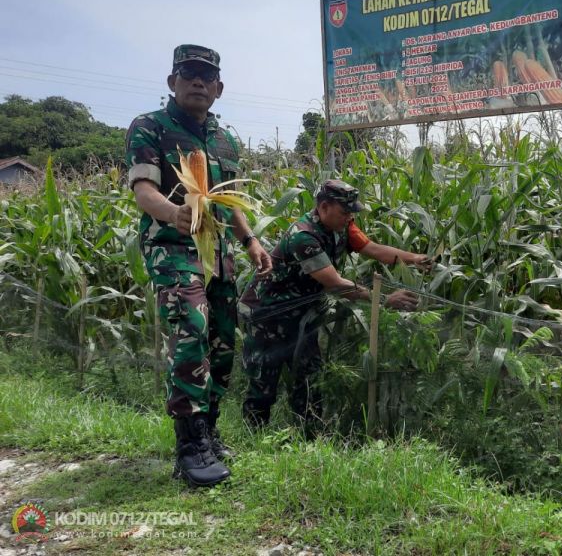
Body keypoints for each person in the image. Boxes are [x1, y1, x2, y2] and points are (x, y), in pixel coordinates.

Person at [126, 44, 272, 487]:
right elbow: (144, 190)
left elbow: (226, 197)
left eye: (206, 77)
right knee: (191, 332)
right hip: (172, 248)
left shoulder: (224, 138)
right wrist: (173, 214)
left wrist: (249, 239)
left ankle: (208, 431)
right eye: (188, 73)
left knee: (222, 341)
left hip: (217, 254)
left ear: (219, 88)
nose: (197, 82)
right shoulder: (150, 127)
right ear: (172, 82)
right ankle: (189, 445)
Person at [239, 179, 430, 428]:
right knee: (264, 381)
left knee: (309, 378)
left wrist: (415, 258)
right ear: (324, 207)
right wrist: (384, 300)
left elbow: (373, 248)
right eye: (344, 212)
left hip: (302, 314)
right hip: (267, 315)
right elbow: (335, 284)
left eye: (352, 212)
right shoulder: (303, 237)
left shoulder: (343, 227)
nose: (349, 217)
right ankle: (254, 438)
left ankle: (309, 437)